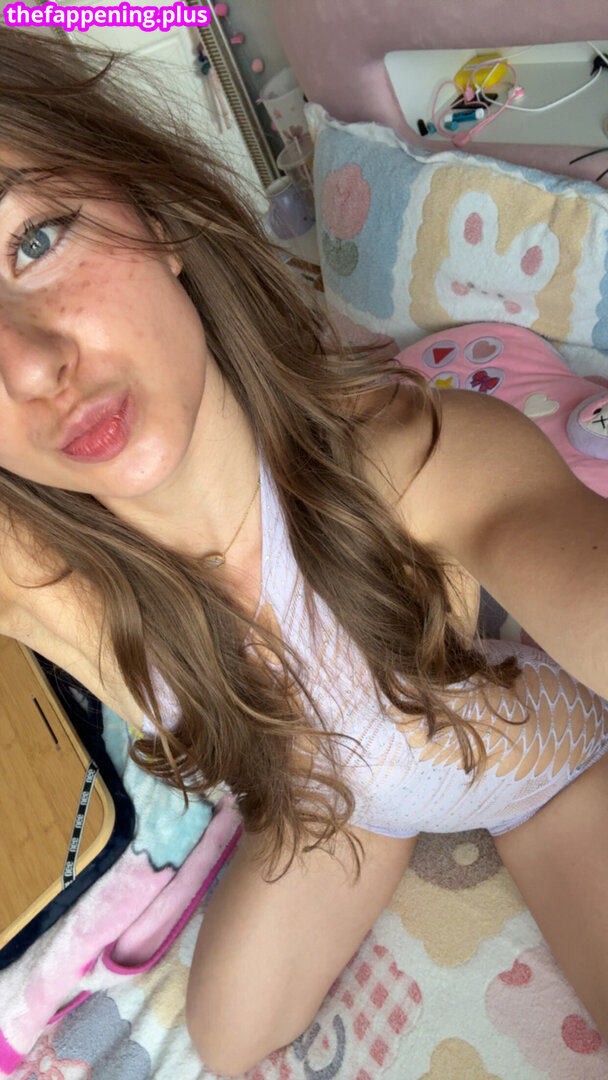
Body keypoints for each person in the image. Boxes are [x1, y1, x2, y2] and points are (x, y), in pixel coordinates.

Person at [0, 26, 607, 1077]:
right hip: (324, 802)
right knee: (225, 1037)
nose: (28, 365)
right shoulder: (45, 579)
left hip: (529, 777)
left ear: (154, 216)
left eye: (35, 239)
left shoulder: (413, 465)